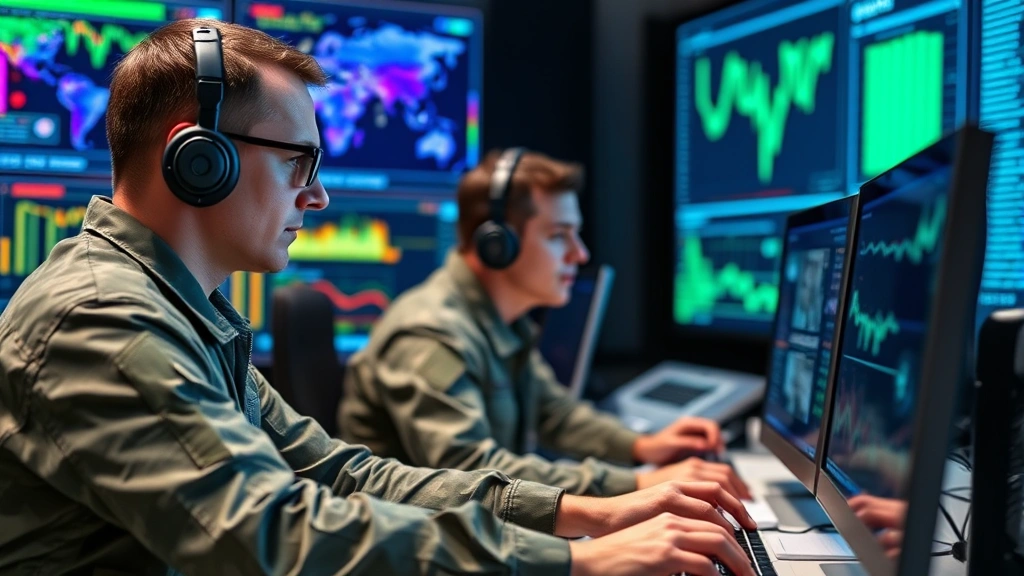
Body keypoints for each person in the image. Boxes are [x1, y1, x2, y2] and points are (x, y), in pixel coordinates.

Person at [0, 20, 758, 575]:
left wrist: (588, 512)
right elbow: (270, 535)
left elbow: (337, 473)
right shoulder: (98, 319)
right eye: (300, 161)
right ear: (200, 159)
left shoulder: (184, 314)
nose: (319, 195)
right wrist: (577, 561)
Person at [341, 148, 751, 500]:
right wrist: (640, 482)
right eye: (560, 236)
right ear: (497, 243)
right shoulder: (431, 335)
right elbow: (472, 473)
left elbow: (555, 414)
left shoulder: (501, 322)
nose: (580, 254)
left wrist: (644, 445)